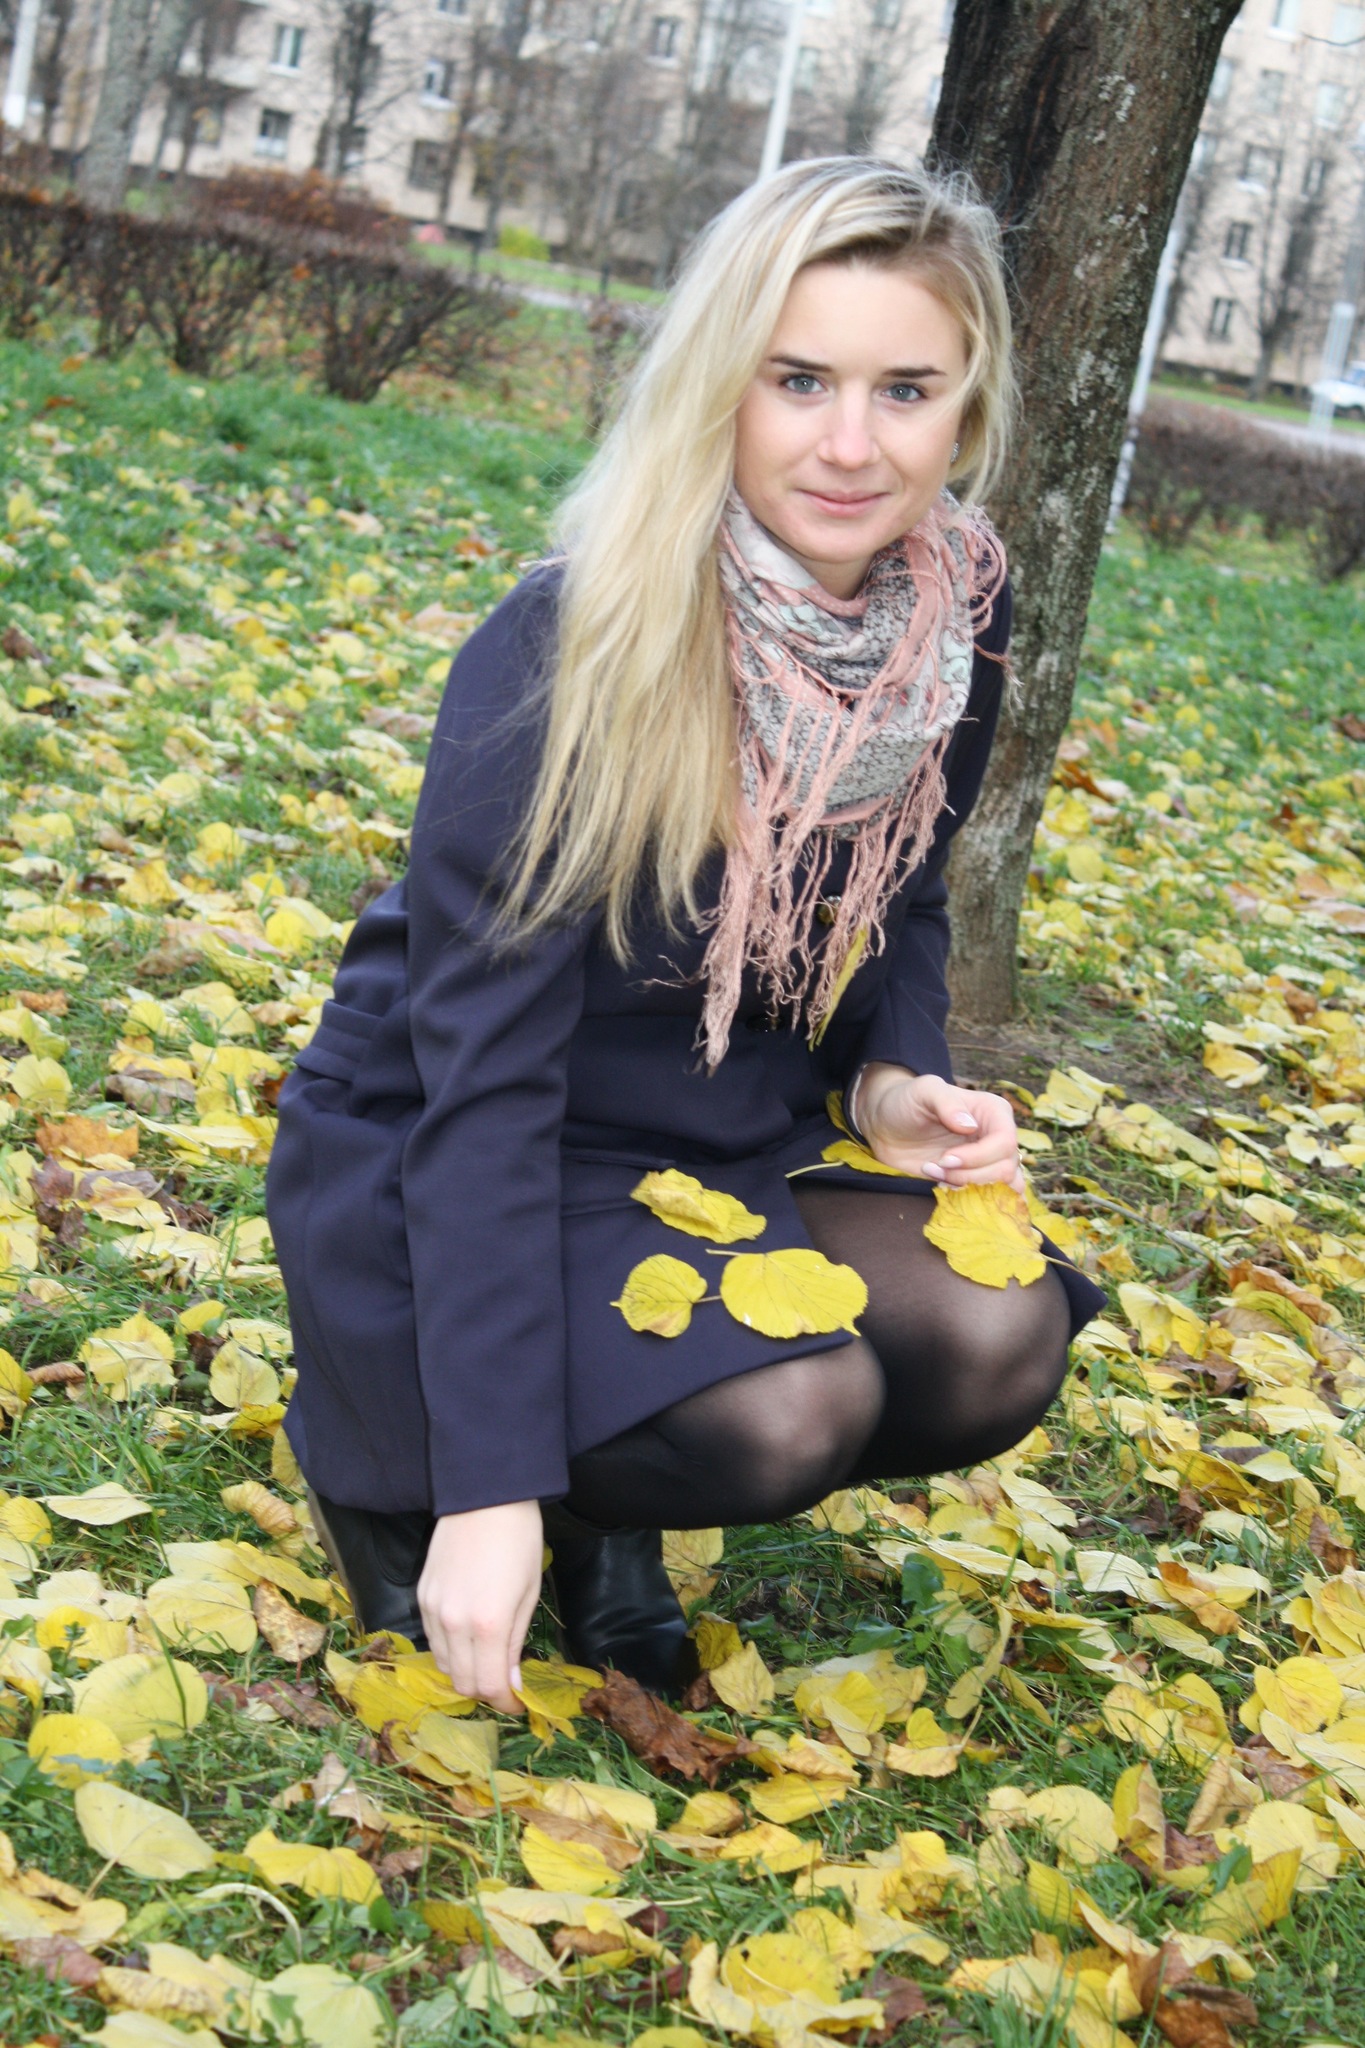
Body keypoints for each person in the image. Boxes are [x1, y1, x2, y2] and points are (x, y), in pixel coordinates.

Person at [265, 155, 1106, 1715]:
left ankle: (601, 1494)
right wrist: (486, 1492)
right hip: (460, 1141)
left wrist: (890, 1077)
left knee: (996, 1337)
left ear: (967, 409)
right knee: (787, 1416)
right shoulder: (572, 644)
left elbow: (905, 895)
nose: (849, 445)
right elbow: (478, 1089)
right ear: (720, 380)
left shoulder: (951, 625)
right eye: (797, 380)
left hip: (704, 1141)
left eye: (904, 389)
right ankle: (410, 1471)